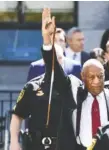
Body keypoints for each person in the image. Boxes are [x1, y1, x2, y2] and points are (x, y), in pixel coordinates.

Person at [39, 10, 109, 150]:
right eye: (91, 77)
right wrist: (47, 41)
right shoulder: (73, 91)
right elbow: (54, 71)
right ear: (83, 77)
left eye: (100, 76)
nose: (96, 81)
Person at [10, 8, 78, 150]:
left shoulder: (70, 84)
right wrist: (14, 142)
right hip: (35, 144)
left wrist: (48, 41)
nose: (55, 62)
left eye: (58, 59)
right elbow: (17, 115)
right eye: (52, 59)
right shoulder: (32, 86)